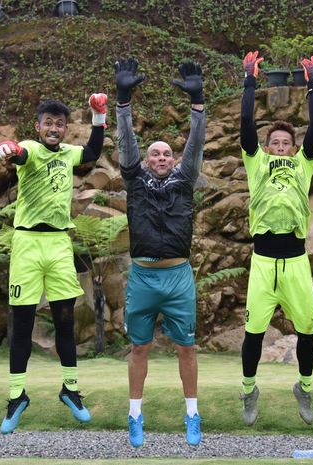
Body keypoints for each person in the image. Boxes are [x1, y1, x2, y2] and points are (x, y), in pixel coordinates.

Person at [0, 94, 107, 434]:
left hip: (58, 243)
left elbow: (90, 153)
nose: (53, 128)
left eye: (59, 124)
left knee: (65, 319)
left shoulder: (69, 154)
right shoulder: (31, 148)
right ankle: (16, 397)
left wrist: (99, 116)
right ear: (38, 126)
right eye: (48, 123)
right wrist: (6, 151)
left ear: (66, 128)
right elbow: (17, 152)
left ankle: (70, 389)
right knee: (23, 322)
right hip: (27, 243)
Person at [114, 57, 205, 447]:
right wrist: (122, 100)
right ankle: (135, 415)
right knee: (139, 347)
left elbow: (196, 145)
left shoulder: (185, 180)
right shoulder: (135, 179)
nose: (162, 156)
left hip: (178, 275)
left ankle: (192, 414)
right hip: (144, 275)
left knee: (187, 346)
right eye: (156, 153)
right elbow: (126, 142)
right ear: (147, 161)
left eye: (168, 152)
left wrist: (197, 104)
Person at [237, 51, 313, 426]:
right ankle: (248, 390)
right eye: (275, 141)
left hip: (296, 261)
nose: (280, 145)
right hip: (263, 262)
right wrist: (249, 81)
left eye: (285, 141)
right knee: (254, 332)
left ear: (293, 147)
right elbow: (245, 123)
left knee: (307, 328)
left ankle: (303, 388)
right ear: (268, 146)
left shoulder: (304, 163)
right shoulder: (256, 162)